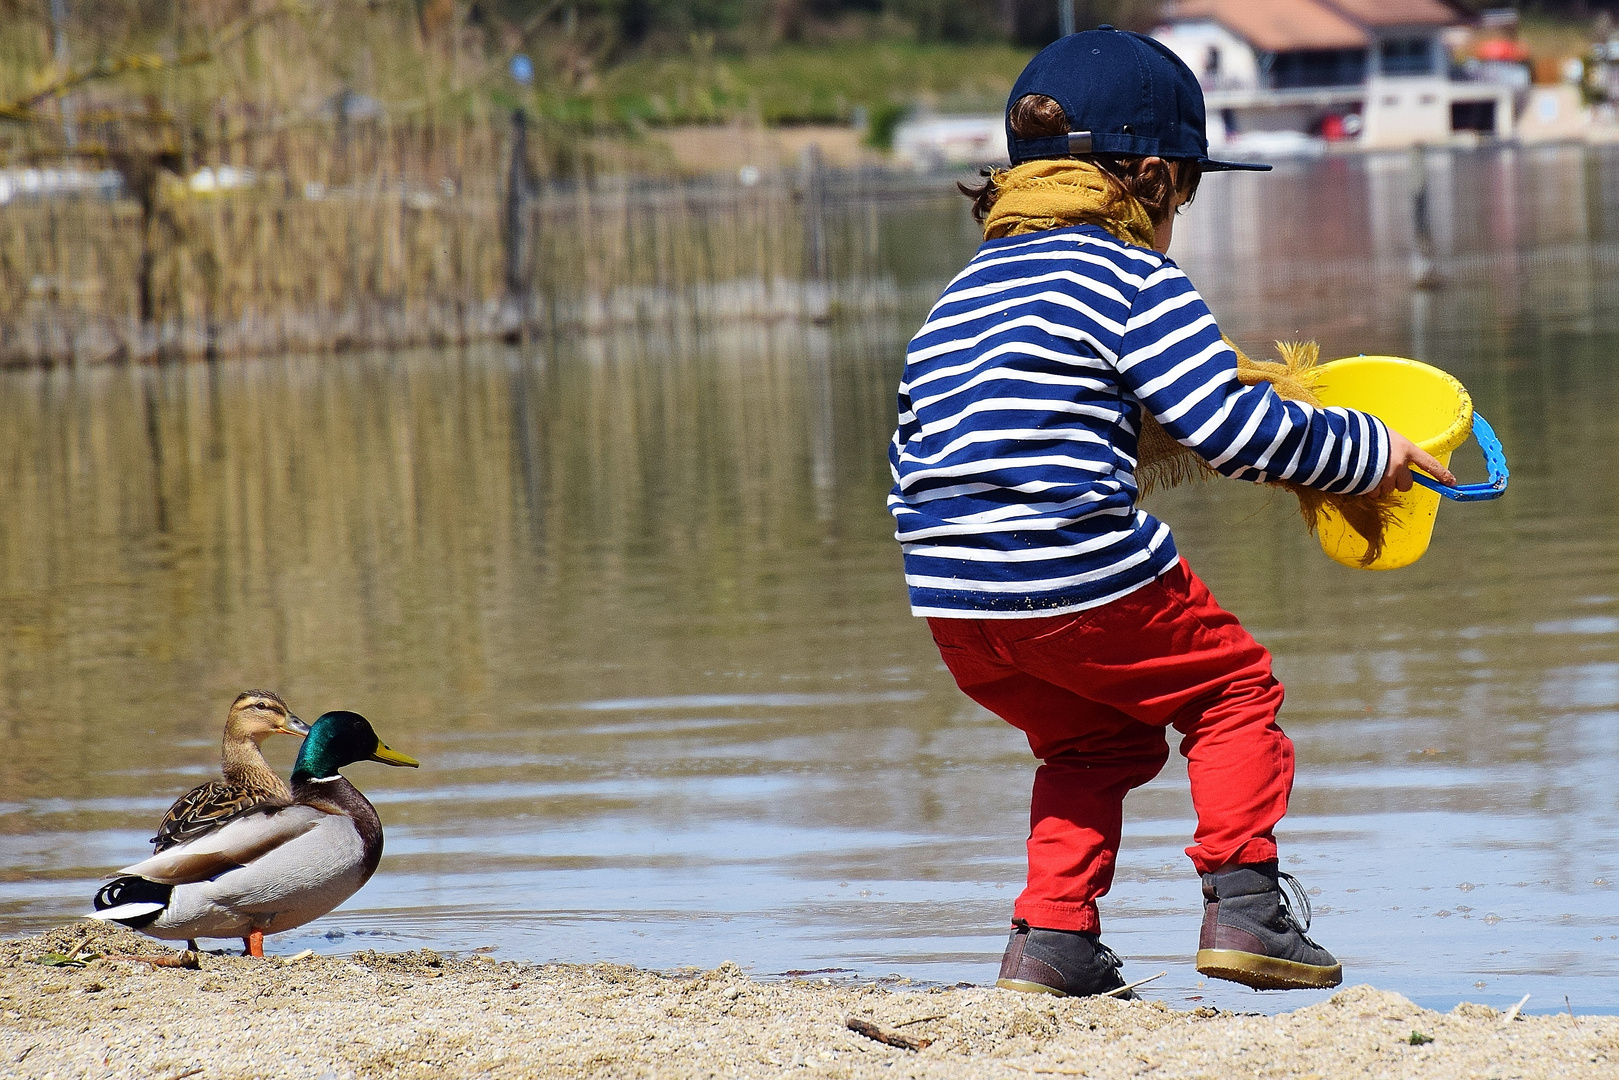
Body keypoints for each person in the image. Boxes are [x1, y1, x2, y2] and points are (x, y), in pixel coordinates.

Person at [887, 27, 1455, 998]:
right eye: (1182, 194)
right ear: (1149, 177)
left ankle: (1050, 943)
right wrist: (1360, 452)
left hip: (950, 600)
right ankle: (1245, 909)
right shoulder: (1134, 278)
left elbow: (911, 445)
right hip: (1069, 563)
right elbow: (1229, 426)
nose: (1177, 219)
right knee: (1232, 691)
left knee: (1094, 740)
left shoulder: (957, 295)